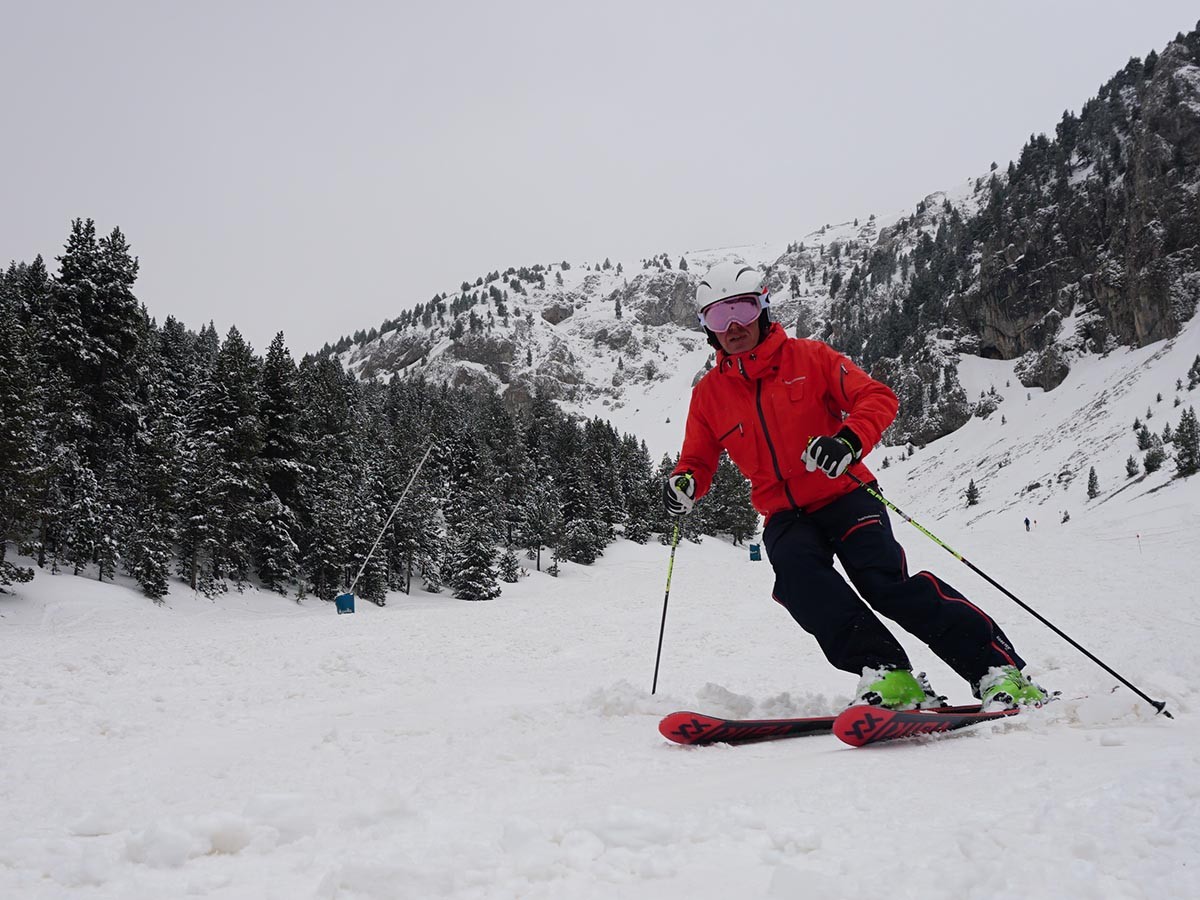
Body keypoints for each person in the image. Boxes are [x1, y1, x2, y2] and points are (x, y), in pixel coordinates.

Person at [663, 262, 1047, 711]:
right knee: (800, 583)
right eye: (716, 316)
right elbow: (697, 459)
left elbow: (877, 398)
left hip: (846, 495)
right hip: (784, 512)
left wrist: (847, 441)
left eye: (742, 309)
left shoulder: (811, 358)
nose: (732, 326)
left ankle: (996, 669)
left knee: (884, 583)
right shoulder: (709, 394)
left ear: (763, 308)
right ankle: (887, 673)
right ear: (705, 327)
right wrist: (685, 482)